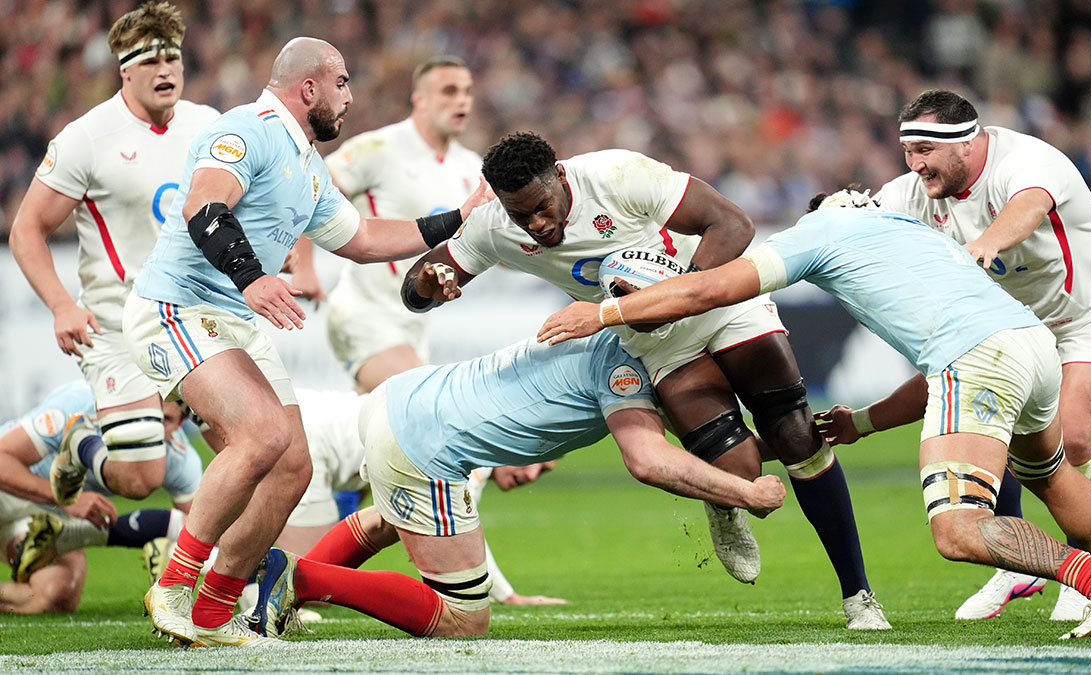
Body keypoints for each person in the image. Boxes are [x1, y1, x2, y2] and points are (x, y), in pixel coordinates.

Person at [537, 190, 1091, 640]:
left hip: (975, 360)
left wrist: (604, 313)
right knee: (1051, 476)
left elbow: (710, 289)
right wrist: (862, 423)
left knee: (959, 530)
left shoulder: (820, 232)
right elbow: (964, 360)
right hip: (1029, 346)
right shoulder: (913, 230)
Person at [401, 132, 889, 629]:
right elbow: (418, 285)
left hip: (719, 302)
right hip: (656, 342)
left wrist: (677, 292)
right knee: (736, 473)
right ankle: (723, 504)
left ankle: (859, 595)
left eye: (542, 207)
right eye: (519, 215)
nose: (536, 224)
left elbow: (732, 224)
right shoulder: (492, 226)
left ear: (561, 177)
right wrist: (428, 284)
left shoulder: (616, 175)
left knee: (795, 433)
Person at [125, 37, 492, 648]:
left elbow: (364, 238)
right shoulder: (248, 129)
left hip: (231, 318)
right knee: (263, 436)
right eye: (342, 82)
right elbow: (204, 205)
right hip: (177, 306)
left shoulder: (307, 162)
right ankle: (174, 587)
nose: (349, 96)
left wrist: (458, 217)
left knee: (293, 467)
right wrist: (254, 276)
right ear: (309, 87)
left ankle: (215, 613)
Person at [248, 332, 785, 639]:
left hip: (399, 400)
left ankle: (287, 589)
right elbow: (647, 460)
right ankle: (299, 578)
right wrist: (746, 494)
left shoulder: (598, 334)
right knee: (464, 616)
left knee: (393, 519)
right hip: (423, 439)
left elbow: (692, 437)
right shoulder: (627, 365)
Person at [874, 89, 1091, 625]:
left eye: (924, 150)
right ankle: (1020, 568)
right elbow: (866, 222)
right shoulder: (913, 191)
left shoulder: (1027, 160)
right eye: (907, 152)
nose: (915, 164)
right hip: (1018, 325)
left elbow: (1028, 206)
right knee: (1008, 436)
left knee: (1074, 438)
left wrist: (985, 244)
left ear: (964, 145)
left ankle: (1084, 580)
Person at [8, 2, 218, 506]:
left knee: (252, 447)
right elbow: (26, 229)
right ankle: (82, 442)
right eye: (149, 61)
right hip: (117, 327)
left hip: (194, 320)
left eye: (172, 58)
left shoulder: (209, 125)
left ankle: (228, 576)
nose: (165, 70)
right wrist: (62, 305)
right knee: (142, 479)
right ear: (125, 70)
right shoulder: (87, 137)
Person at [273, 388, 565, 606]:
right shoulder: (478, 453)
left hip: (304, 412)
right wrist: (508, 596)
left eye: (543, 473)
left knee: (293, 563)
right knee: (302, 586)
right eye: (536, 462)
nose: (530, 475)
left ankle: (243, 581)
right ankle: (246, 588)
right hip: (310, 437)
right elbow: (461, 539)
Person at [321, 56, 482, 393]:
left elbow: (493, 239)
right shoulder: (379, 148)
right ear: (420, 99)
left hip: (414, 320)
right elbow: (312, 191)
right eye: (449, 91)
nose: (462, 99)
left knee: (378, 434)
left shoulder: (471, 168)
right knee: (423, 401)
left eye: (467, 91)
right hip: (363, 311)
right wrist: (304, 264)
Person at [0, 381, 197, 614]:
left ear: (180, 424)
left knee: (56, 593)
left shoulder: (178, 459)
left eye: (162, 419)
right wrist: (64, 497)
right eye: (147, 413)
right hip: (10, 488)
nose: (149, 427)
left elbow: (205, 525)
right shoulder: (79, 405)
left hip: (41, 518)